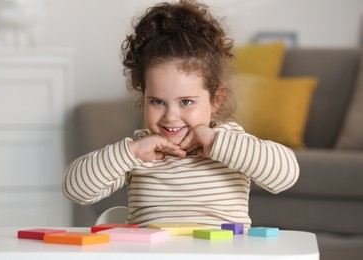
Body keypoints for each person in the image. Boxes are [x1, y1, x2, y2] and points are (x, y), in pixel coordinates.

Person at [63, 0, 299, 230]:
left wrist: (216, 142)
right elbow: (75, 190)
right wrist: (130, 152)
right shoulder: (139, 152)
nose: (170, 116)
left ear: (216, 99)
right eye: (157, 101)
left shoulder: (229, 142)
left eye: (186, 102)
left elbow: (286, 175)